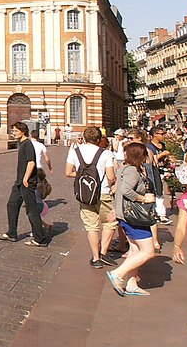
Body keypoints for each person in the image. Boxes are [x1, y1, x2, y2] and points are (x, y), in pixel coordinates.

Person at [107, 142, 157, 296]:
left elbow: (118, 191)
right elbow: (126, 190)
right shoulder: (132, 171)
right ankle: (118, 273)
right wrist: (143, 198)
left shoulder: (125, 169)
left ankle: (131, 283)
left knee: (135, 249)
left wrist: (116, 210)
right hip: (134, 217)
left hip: (126, 215)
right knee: (149, 251)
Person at [65, 125, 117, 269]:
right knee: (109, 223)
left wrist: (83, 175)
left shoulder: (75, 152)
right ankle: (104, 252)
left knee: (91, 226)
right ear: (99, 139)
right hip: (103, 192)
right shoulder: (105, 154)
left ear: (84, 138)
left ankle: (96, 258)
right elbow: (111, 177)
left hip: (85, 193)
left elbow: (68, 172)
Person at [0, 121, 47, 247]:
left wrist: (25, 179)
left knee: (31, 210)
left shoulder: (27, 144)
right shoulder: (22, 143)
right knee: (12, 204)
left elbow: (31, 163)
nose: (13, 133)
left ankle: (40, 239)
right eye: (12, 131)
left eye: (15, 131)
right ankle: (12, 233)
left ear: (23, 131)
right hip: (19, 182)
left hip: (27, 182)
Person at [147, 125, 172, 225]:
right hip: (154, 171)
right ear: (154, 135)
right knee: (157, 191)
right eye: (161, 134)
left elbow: (163, 159)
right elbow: (151, 159)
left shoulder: (162, 145)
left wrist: (168, 160)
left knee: (162, 191)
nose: (163, 136)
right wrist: (162, 154)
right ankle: (160, 214)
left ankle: (159, 212)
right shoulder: (149, 147)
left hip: (162, 170)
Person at [36, 168, 53, 233]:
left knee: (33, 218)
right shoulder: (42, 184)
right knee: (36, 218)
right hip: (41, 204)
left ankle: (36, 231)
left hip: (37, 204)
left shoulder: (37, 185)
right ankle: (46, 225)